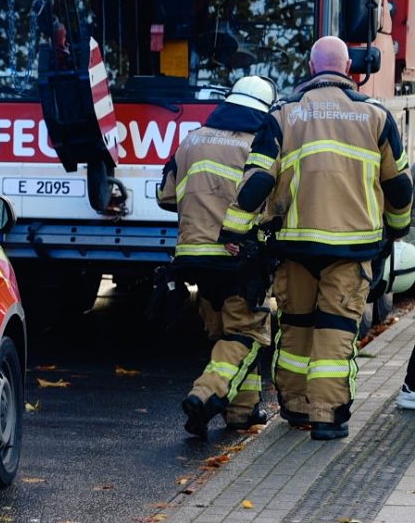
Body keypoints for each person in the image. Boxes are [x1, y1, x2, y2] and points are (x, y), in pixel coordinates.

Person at [221, 37, 414, 440]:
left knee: (295, 327)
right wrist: (396, 228)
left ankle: (294, 408)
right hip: (352, 247)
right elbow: (400, 188)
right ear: (349, 69)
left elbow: (257, 180)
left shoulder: (283, 114)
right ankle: (327, 418)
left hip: (294, 246)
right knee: (336, 330)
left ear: (311, 67)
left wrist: (234, 229)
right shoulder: (375, 115)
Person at [161, 75, 278, 438]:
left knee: (224, 333)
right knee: (248, 333)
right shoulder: (257, 145)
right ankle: (205, 393)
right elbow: (268, 199)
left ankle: (242, 413)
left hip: (192, 255)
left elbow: (165, 196)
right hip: (236, 255)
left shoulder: (191, 139)